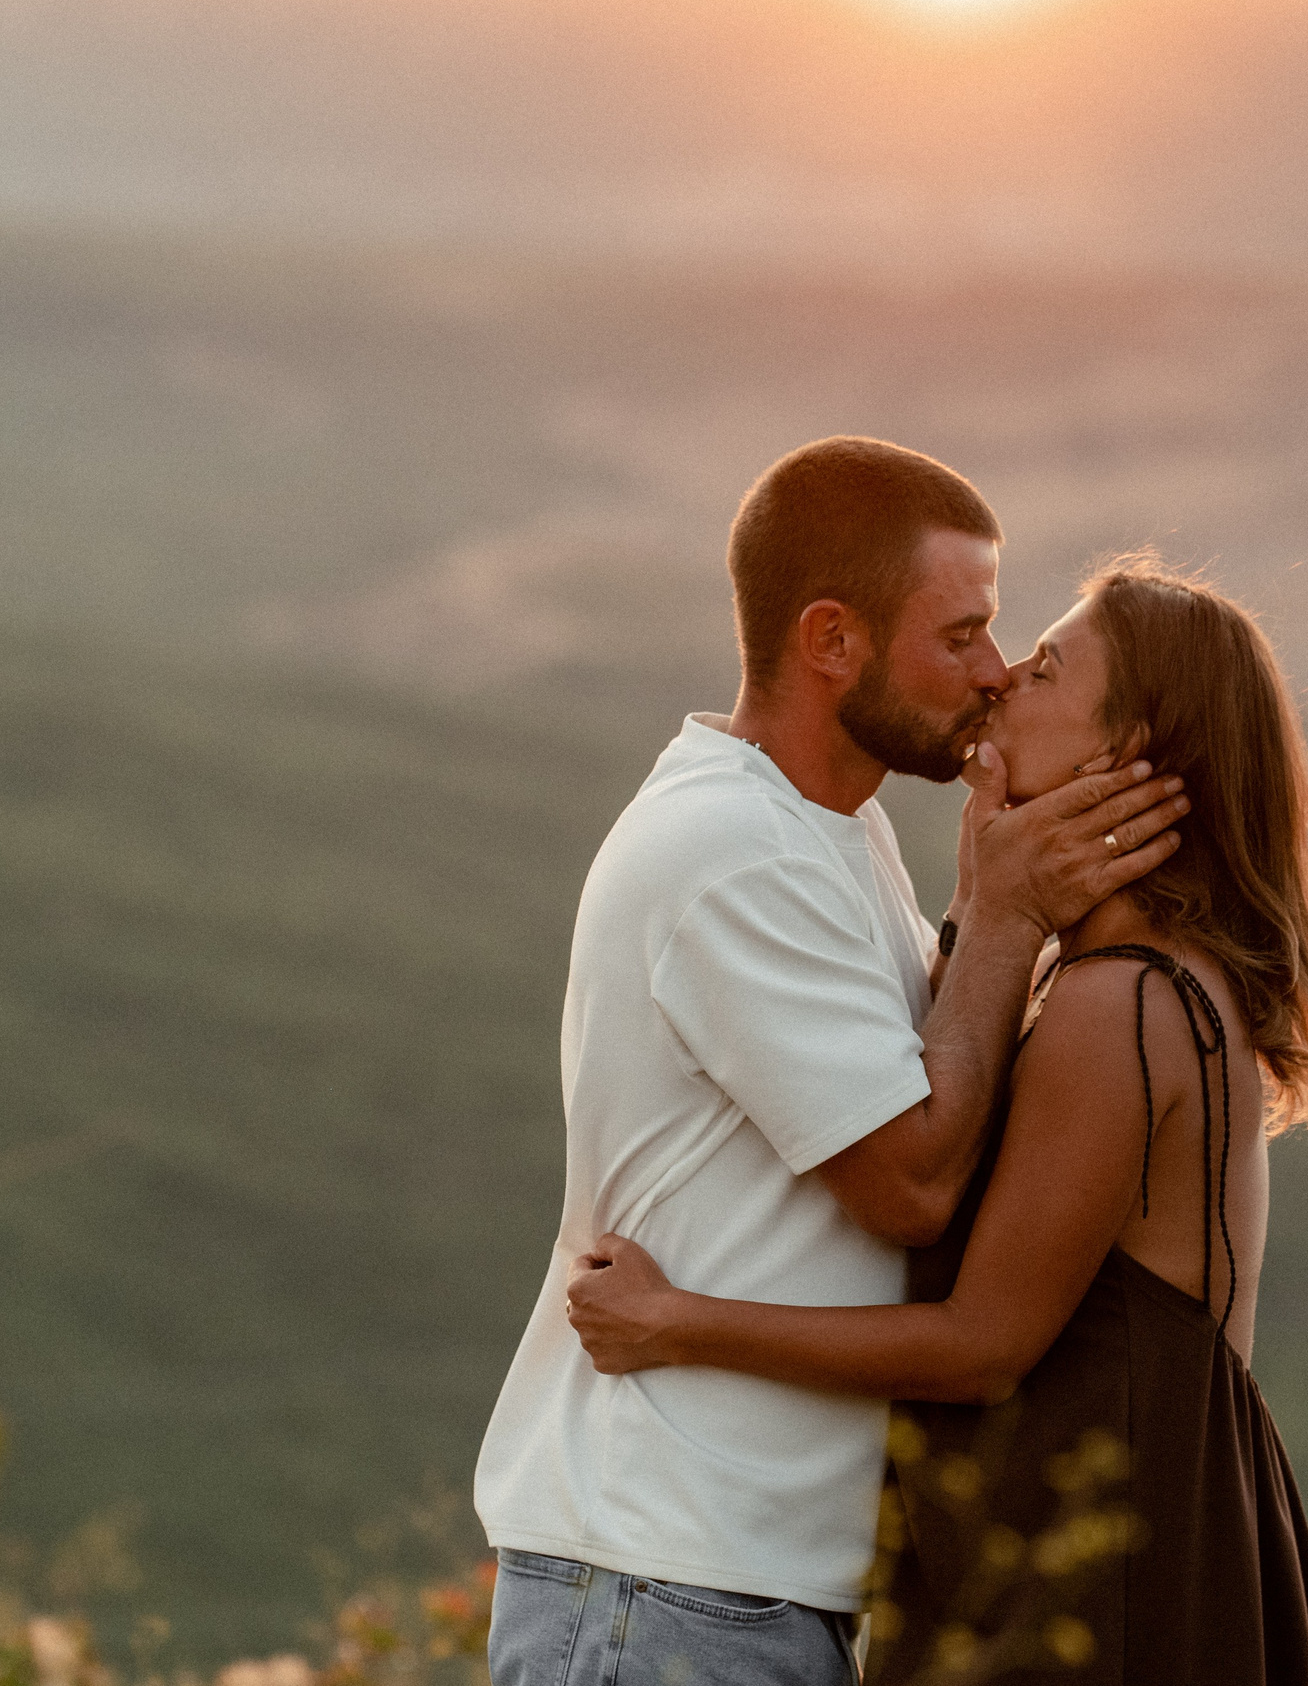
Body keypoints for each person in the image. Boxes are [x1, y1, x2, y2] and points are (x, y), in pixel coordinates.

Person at [567, 554, 1308, 1685]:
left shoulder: (1117, 1004)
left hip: (1090, 1584)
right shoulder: (1146, 981)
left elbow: (980, 1347)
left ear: (1123, 752)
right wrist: (987, 906)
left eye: (1048, 668)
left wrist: (675, 1321)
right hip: (1112, 1544)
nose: (1003, 678)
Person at [474, 439, 1194, 1686]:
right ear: (830, 639)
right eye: (959, 635)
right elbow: (911, 1180)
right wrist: (1006, 914)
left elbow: (936, 1087)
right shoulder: (731, 847)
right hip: (662, 1578)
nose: (994, 668)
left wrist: (984, 899)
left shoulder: (832, 830)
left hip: (731, 1580)